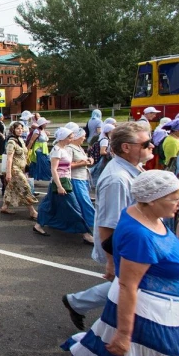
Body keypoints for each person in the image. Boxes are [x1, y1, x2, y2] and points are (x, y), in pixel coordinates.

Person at [64, 170, 179, 356]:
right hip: (150, 315)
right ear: (152, 200)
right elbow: (127, 285)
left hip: (160, 309)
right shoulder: (140, 234)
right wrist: (124, 334)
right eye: (175, 199)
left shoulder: (142, 213)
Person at [62, 122, 153, 331]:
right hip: (123, 247)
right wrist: (111, 261)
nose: (151, 146)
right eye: (146, 143)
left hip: (135, 243)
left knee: (131, 286)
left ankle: (77, 303)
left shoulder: (132, 168)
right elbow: (108, 225)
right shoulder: (117, 179)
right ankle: (108, 335)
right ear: (126, 147)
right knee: (130, 287)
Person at [33, 128, 93, 243]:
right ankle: (85, 234)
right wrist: (60, 186)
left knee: (49, 205)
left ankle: (38, 225)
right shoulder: (56, 150)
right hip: (61, 182)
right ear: (63, 138)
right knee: (74, 207)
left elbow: (67, 166)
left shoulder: (64, 149)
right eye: (70, 137)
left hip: (63, 181)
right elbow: (54, 170)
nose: (72, 139)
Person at [0, 122, 39, 217]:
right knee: (25, 188)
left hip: (21, 168)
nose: (20, 130)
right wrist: (8, 173)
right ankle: (32, 211)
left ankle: (4, 207)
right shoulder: (11, 142)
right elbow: (9, 158)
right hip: (14, 169)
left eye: (21, 128)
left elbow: (24, 154)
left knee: (11, 188)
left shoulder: (21, 140)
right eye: (17, 128)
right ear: (13, 130)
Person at [65, 125, 95, 236]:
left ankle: (85, 226)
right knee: (85, 203)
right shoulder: (69, 148)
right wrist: (83, 163)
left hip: (83, 178)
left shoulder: (79, 147)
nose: (84, 138)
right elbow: (65, 165)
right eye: (83, 136)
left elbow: (83, 159)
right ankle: (92, 226)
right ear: (77, 137)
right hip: (75, 179)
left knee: (80, 204)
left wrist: (89, 159)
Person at [26, 117, 52, 181]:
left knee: (36, 164)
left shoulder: (42, 130)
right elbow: (31, 141)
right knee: (44, 164)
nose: (46, 124)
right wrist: (26, 150)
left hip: (44, 150)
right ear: (42, 124)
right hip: (39, 150)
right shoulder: (37, 131)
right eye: (45, 123)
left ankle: (31, 176)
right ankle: (47, 177)